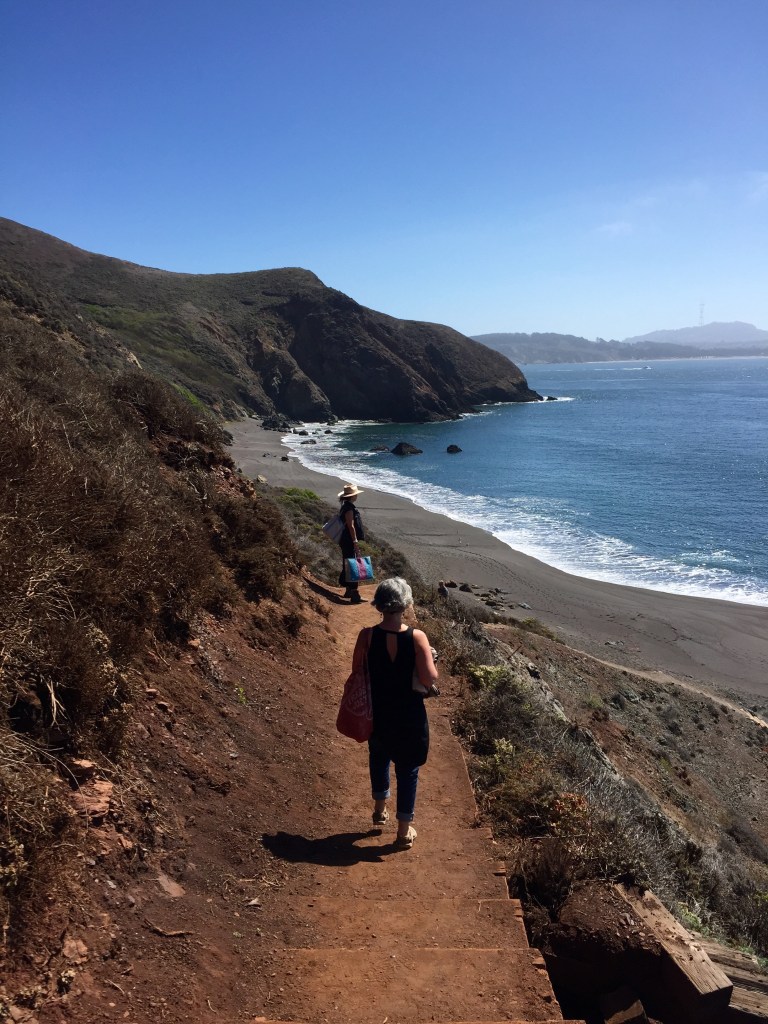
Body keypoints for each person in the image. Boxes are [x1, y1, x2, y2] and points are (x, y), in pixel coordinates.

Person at [351, 577, 439, 848]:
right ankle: (403, 832)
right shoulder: (417, 637)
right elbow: (428, 678)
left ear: (379, 604)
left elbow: (357, 671)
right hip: (409, 715)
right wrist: (430, 659)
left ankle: (379, 811)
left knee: (379, 757)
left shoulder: (366, 636)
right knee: (407, 769)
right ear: (405, 604)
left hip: (377, 712)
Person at [337, 483, 365, 604]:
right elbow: (351, 526)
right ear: (352, 496)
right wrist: (355, 541)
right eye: (355, 494)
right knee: (353, 565)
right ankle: (354, 594)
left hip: (345, 540)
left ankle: (348, 590)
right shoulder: (349, 508)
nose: (357, 496)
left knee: (348, 563)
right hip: (349, 540)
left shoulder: (345, 506)